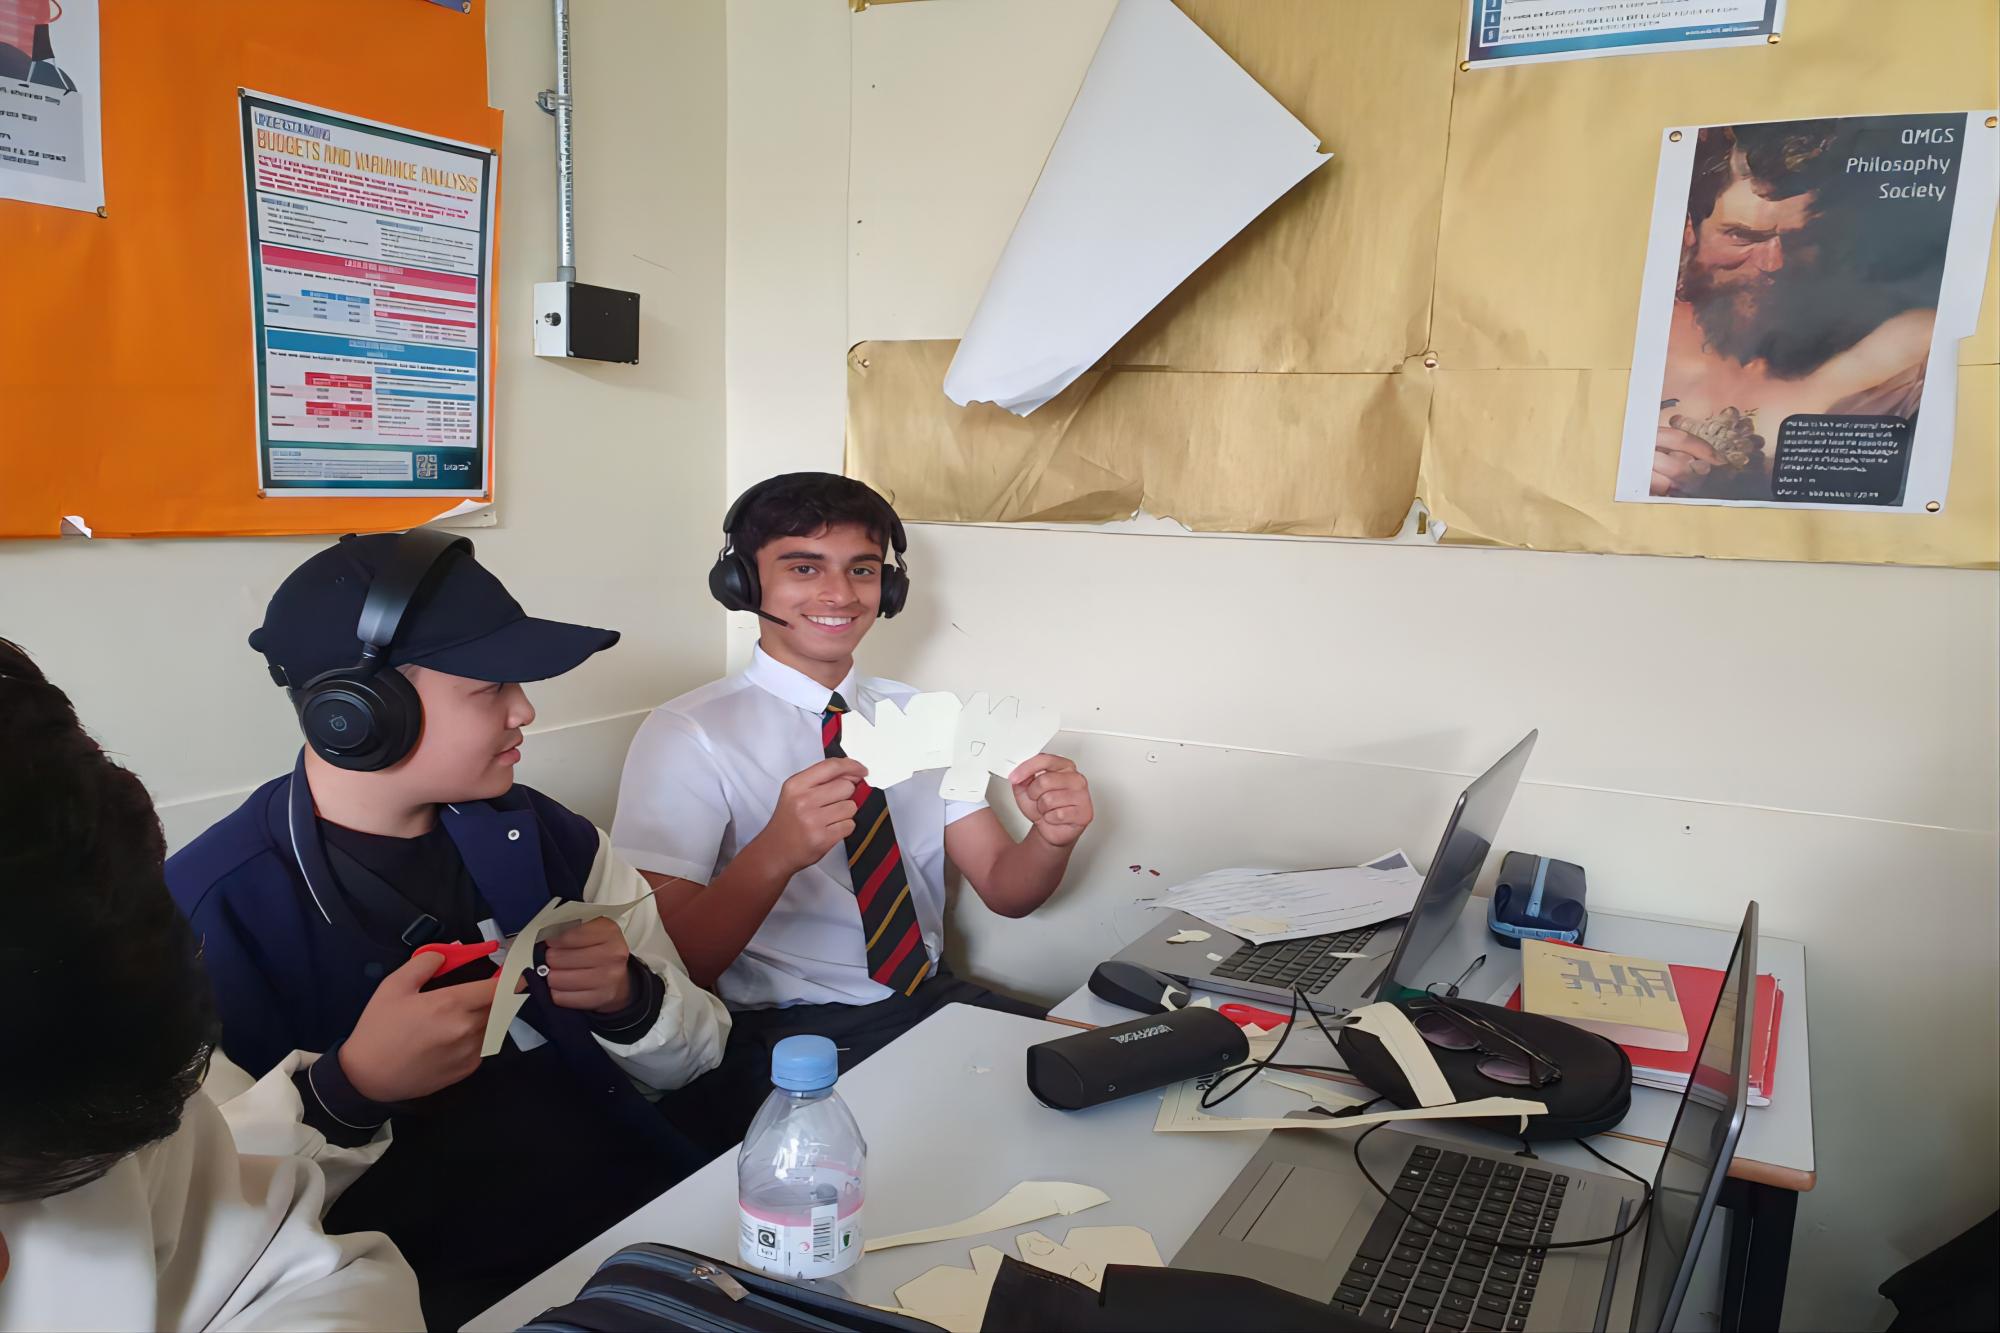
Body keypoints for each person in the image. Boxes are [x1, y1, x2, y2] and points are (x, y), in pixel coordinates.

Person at [165, 530, 730, 1330]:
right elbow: (188, 1218)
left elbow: (701, 1052)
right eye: (490, 686)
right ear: (357, 713)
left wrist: (634, 1001)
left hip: (636, 1236)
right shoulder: (202, 916)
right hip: (416, 1299)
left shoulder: (553, 838)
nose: (525, 709)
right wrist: (346, 1090)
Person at [612, 473, 1095, 1148]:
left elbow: (1007, 890)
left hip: (929, 997)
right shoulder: (688, 733)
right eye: (803, 567)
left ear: (888, 589)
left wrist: (1051, 837)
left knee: (1110, 1082)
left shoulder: (922, 714)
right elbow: (672, 966)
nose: (839, 594)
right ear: (743, 582)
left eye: (862, 570)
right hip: (782, 1035)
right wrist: (776, 852)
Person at [0, 638, 422, 1331]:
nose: (524, 712)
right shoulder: (231, 886)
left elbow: (270, 1269)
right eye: (487, 688)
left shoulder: (98, 1021)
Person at [1651, 119, 1944, 499]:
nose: (1774, 264)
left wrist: (1737, 487)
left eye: (1804, 239)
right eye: (1743, 236)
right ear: (1689, 228)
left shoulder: (1903, 352)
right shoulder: (1641, 339)